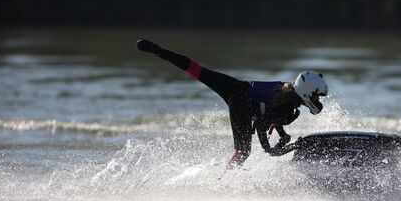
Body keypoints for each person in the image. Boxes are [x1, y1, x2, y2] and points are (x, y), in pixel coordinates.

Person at [136, 39, 328, 166]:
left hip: (237, 87)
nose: (317, 101)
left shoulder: (287, 90)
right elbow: (262, 124)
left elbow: (268, 114)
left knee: (197, 70)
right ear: (307, 92)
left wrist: (283, 136)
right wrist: (279, 148)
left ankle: (159, 51)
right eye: (317, 96)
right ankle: (225, 182)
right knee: (243, 152)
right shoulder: (288, 108)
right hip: (241, 105)